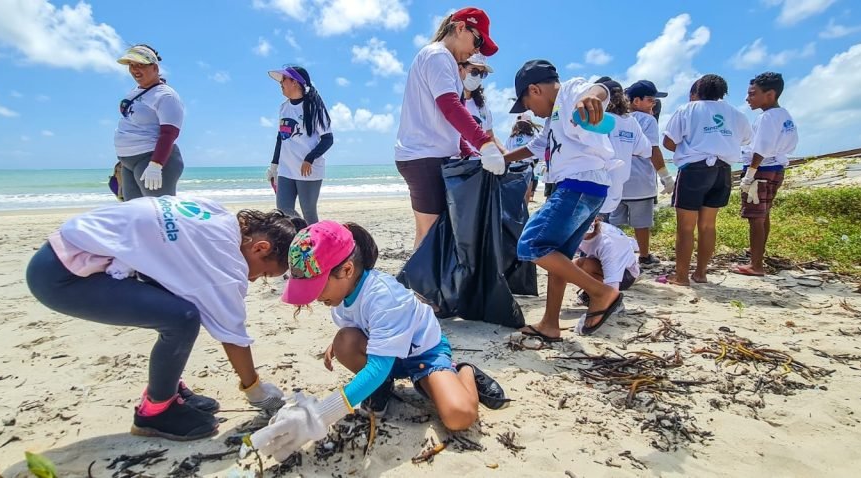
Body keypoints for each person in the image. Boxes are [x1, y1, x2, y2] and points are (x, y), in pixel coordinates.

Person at [26, 197, 305, 440]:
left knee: (182, 298)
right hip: (63, 277)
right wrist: (255, 390)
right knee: (181, 319)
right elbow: (232, 334)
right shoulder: (227, 263)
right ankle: (156, 410)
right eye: (264, 273)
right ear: (260, 248)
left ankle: (168, 387)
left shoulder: (219, 215)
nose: (254, 279)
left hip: (60, 250)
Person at [247, 221, 507, 461]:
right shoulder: (340, 298)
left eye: (317, 288)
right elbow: (356, 327)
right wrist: (338, 345)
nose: (315, 297)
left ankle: (465, 371)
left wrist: (320, 415)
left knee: (458, 417)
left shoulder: (384, 298)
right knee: (343, 342)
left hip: (422, 355)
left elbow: (377, 365)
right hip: (386, 352)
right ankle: (381, 388)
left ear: (346, 270)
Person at [494, 59, 624, 340]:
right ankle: (550, 324)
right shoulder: (553, 119)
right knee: (559, 255)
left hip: (578, 184)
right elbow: (538, 146)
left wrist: (593, 96)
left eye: (528, 104)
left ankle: (602, 293)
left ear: (535, 90)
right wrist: (502, 159)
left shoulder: (569, 92)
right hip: (589, 187)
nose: (531, 111)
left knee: (531, 244)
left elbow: (599, 89)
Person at [394, 7, 502, 249]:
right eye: (478, 40)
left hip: (428, 155)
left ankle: (424, 286)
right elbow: (450, 107)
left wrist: (469, 150)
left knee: (433, 231)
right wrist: (484, 143)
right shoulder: (438, 56)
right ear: (461, 27)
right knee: (430, 233)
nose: (477, 50)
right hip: (424, 157)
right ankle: (420, 287)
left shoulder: (445, 61)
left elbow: (446, 124)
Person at [661, 74, 752, 286]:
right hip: (723, 170)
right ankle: (701, 273)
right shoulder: (736, 113)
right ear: (723, 93)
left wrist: (687, 149)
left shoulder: (688, 109)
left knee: (685, 227)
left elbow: (668, 141)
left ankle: (681, 276)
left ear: (697, 90)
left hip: (694, 170)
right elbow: (745, 139)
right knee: (708, 226)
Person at [733, 72, 798, 277]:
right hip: (777, 167)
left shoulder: (766, 118)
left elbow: (760, 149)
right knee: (764, 213)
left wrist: (749, 174)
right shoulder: (784, 115)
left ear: (770, 94)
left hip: (762, 170)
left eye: (753, 94)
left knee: (756, 217)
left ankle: (756, 264)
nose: (748, 99)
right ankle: (757, 254)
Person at [610, 80, 676, 265]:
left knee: (614, 223)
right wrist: (666, 177)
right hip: (641, 183)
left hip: (617, 182)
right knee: (642, 224)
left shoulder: (615, 118)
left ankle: (614, 255)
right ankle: (645, 256)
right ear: (636, 101)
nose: (653, 103)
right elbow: (654, 150)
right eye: (650, 100)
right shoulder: (648, 120)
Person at [264, 66, 333, 225]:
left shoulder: (314, 107)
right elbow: (281, 138)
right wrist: (274, 166)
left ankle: (315, 244)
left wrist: (309, 158)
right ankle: (300, 239)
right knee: (284, 211)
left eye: (284, 80)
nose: (280, 84)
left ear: (295, 82)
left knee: (308, 212)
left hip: (307, 170)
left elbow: (328, 139)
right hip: (286, 169)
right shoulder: (284, 107)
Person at [114, 44, 185, 200]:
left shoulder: (166, 96)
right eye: (131, 65)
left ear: (155, 68)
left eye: (141, 65)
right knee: (136, 215)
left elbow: (169, 133)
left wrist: (156, 165)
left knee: (160, 215)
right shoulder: (137, 91)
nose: (135, 69)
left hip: (151, 160)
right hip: (128, 163)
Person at [594, 79, 652, 223]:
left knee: (591, 237)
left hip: (595, 187)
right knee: (607, 235)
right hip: (617, 189)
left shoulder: (600, 119)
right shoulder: (630, 121)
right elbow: (646, 150)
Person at [573, 216, 641, 306]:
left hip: (624, 275)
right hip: (604, 263)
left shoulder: (607, 243)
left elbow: (612, 282)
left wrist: (608, 304)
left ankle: (613, 303)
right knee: (560, 269)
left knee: (583, 265)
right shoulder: (587, 231)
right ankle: (592, 293)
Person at [461, 53, 507, 154]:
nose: (478, 77)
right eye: (474, 71)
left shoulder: (482, 106)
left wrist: (505, 152)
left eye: (482, 74)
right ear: (461, 68)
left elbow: (490, 136)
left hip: (478, 163)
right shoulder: (450, 101)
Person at [506, 113, 543, 202]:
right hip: (527, 167)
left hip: (513, 168)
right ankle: (523, 213)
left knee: (514, 193)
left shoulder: (511, 138)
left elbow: (506, 152)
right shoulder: (533, 137)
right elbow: (536, 155)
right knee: (526, 194)